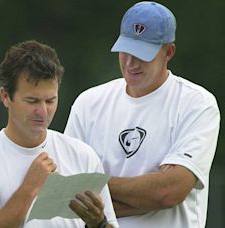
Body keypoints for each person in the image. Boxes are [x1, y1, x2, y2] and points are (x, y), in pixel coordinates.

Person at [64, 2, 220, 228]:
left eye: (141, 53)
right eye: (125, 51)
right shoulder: (89, 103)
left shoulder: (196, 103)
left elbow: (169, 192)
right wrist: (148, 192)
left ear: (169, 52)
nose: (130, 63)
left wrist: (95, 187)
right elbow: (66, 196)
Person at [0, 40, 119, 228]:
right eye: (32, 101)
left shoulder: (83, 156)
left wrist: (99, 223)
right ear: (5, 96)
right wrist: (29, 188)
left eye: (50, 101)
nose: (42, 112)